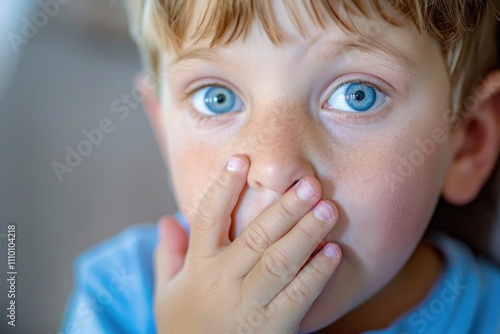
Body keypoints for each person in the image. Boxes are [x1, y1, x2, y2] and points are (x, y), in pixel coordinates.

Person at [61, 1, 500, 333]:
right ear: (164, 130)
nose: (273, 169)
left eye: (357, 94)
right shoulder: (114, 300)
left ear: (469, 143)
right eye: (217, 97)